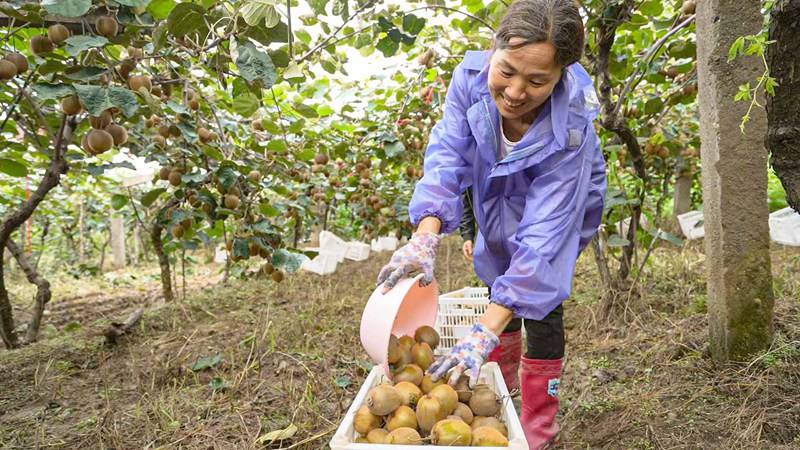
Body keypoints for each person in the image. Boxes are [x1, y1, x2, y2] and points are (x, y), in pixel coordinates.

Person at [376, 0, 607, 447]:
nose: (516, 91)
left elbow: (543, 238)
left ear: (560, 77)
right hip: (495, 199)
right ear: (493, 49)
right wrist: (425, 235)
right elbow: (447, 158)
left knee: (540, 301)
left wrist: (482, 331)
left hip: (556, 208)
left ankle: (539, 423)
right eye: (507, 71)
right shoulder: (469, 82)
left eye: (537, 81)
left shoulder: (573, 128)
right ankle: (500, 387)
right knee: (494, 271)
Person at [459, 190, 476, 261]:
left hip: (512, 233)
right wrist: (467, 236)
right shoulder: (469, 179)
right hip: (486, 238)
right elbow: (466, 204)